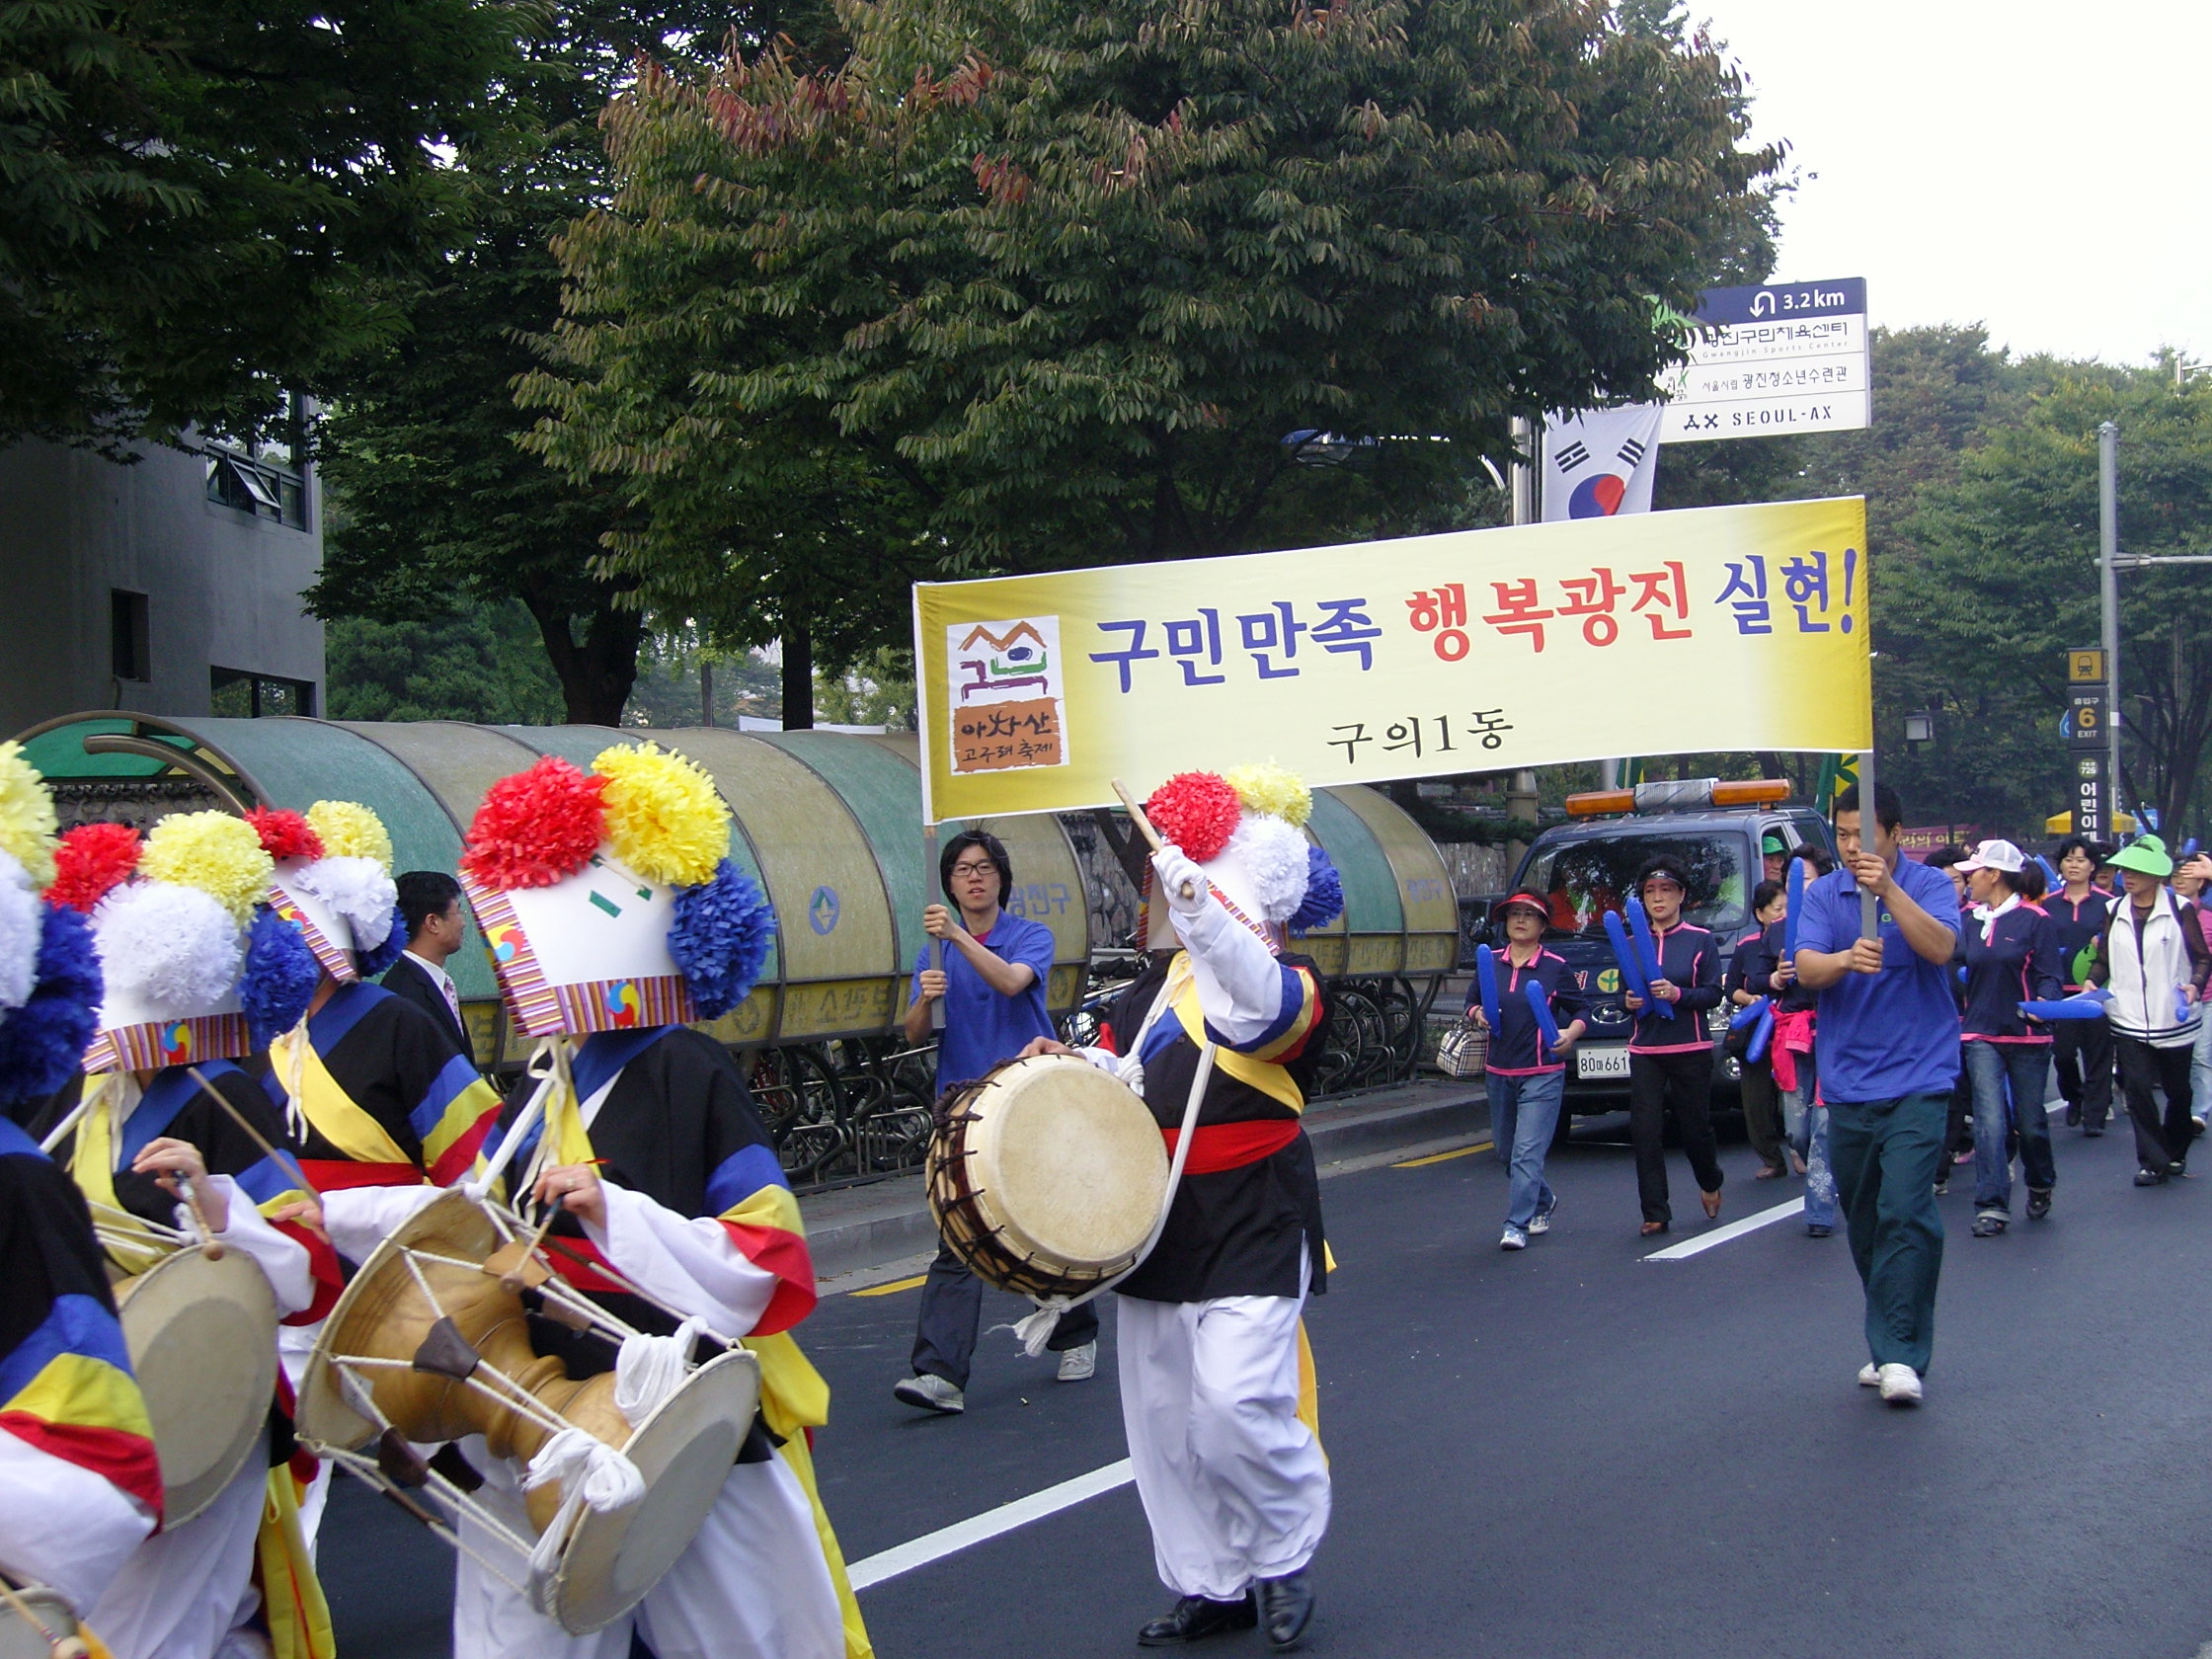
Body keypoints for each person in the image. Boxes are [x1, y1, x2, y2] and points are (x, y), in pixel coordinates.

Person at [1027, 766, 1339, 1651]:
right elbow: (1123, 1086)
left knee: (1236, 1406)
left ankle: (1281, 1557)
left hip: (1253, 1216)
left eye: (1194, 896)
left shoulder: (1292, 981)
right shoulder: (1149, 993)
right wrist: (1068, 1068)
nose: (1171, 908)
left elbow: (1259, 1014)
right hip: (1155, 1222)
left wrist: (1209, 916)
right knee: (1164, 1425)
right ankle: (1212, 1580)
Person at [895, 830, 1094, 1413]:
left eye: (983, 868)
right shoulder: (933, 953)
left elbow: (1011, 982)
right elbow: (913, 1035)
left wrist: (955, 936)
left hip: (1028, 1102)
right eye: (961, 870)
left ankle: (1076, 1333)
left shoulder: (1029, 936)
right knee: (957, 1238)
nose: (974, 878)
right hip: (963, 1112)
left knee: (1045, 1228)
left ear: (1001, 877)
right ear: (949, 883)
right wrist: (922, 998)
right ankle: (940, 1375)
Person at [1794, 783, 1962, 1407]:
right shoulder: (1822, 893)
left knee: (1906, 1211)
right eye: (1841, 836)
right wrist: (1845, 960)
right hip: (1848, 1083)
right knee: (1864, 1220)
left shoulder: (1929, 886)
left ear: (1895, 835)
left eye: (1863, 837)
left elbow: (1942, 948)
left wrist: (1887, 890)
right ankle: (1889, 1337)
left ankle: (1900, 1354)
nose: (1851, 848)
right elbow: (1807, 968)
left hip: (1920, 1078)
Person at [1953, 839, 2064, 1237]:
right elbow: (1950, 962)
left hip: (2028, 1034)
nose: (1968, 880)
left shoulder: (2036, 920)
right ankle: (1992, 1205)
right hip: (1980, 1031)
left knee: (2030, 1122)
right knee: (1989, 1122)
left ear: (1994, 875)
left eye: (1974, 872)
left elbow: (2050, 974)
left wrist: (2045, 1003)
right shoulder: (1967, 919)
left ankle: (2040, 1181)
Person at [2086, 836, 2211, 1186]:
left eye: (2137, 871)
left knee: (2178, 1091)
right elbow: (2103, 960)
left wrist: (2194, 987)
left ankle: (2176, 1148)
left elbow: (2202, 956)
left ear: (2156, 876)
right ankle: (2152, 1161)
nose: (2129, 876)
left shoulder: (2179, 908)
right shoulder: (2114, 911)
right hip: (2127, 1017)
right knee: (2138, 1088)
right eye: (2125, 869)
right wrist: (2093, 983)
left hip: (2173, 1016)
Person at [1469, 892, 1588, 1249]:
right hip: (1499, 1070)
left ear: (1542, 925)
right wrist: (1478, 1014)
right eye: (1514, 914)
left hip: (1542, 1072)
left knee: (1527, 1152)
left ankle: (1515, 1225)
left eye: (1529, 915)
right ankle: (1542, 1198)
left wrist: (1570, 1034)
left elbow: (1580, 1010)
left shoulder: (1555, 966)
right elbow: (1472, 1002)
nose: (1520, 920)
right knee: (1506, 1152)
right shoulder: (1488, 961)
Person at [1621, 857, 1724, 1236]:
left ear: (1682, 895)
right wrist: (1628, 1002)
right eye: (1650, 891)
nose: (1658, 898)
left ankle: (1710, 1179)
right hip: (1646, 1049)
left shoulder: (1700, 940)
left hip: (1690, 1046)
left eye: (1666, 890)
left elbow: (1713, 993)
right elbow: (1623, 993)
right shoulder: (1631, 942)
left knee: (1695, 1128)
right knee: (1645, 1130)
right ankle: (1655, 1211)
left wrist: (1678, 993)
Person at [1775, 846, 1838, 1235]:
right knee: (1798, 1129)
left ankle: (1819, 1212)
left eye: (1806, 880)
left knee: (1824, 1127)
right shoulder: (1776, 931)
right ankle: (1836, 1173)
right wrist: (1776, 978)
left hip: (1833, 1030)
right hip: (1793, 1035)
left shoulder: (1839, 922)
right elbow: (1751, 982)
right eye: (1791, 882)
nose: (1798, 888)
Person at [2045, 836, 2114, 1135]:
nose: (2074, 865)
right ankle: (2074, 1097)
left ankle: (2095, 1117)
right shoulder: (2048, 904)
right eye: (2069, 859)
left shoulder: (2107, 904)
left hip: (2096, 991)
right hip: (2061, 994)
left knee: (2098, 1054)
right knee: (2062, 1054)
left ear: (2092, 866)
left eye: (2081, 860)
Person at [1724, 880, 1791, 1181]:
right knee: (1756, 1097)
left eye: (1788, 908)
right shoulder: (1747, 946)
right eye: (1778, 909)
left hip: (1793, 1026)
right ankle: (1770, 1156)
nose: (1784, 915)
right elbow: (1731, 988)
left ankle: (1801, 1149)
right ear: (1760, 913)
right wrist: (1749, 999)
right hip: (1758, 1029)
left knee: (1794, 1092)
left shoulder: (1799, 939)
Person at [382, 869, 475, 1063]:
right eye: (458, 911)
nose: (463, 922)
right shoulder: (404, 993)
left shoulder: (434, 983)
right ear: (433, 923)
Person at [2171, 849, 2212, 1135]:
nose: (2181, 880)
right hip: (2167, 1000)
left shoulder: (2208, 918)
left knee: (2200, 1056)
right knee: (2174, 1061)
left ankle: (2199, 1113)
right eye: (2176, 875)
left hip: (2206, 998)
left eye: (2188, 875)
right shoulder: (2161, 914)